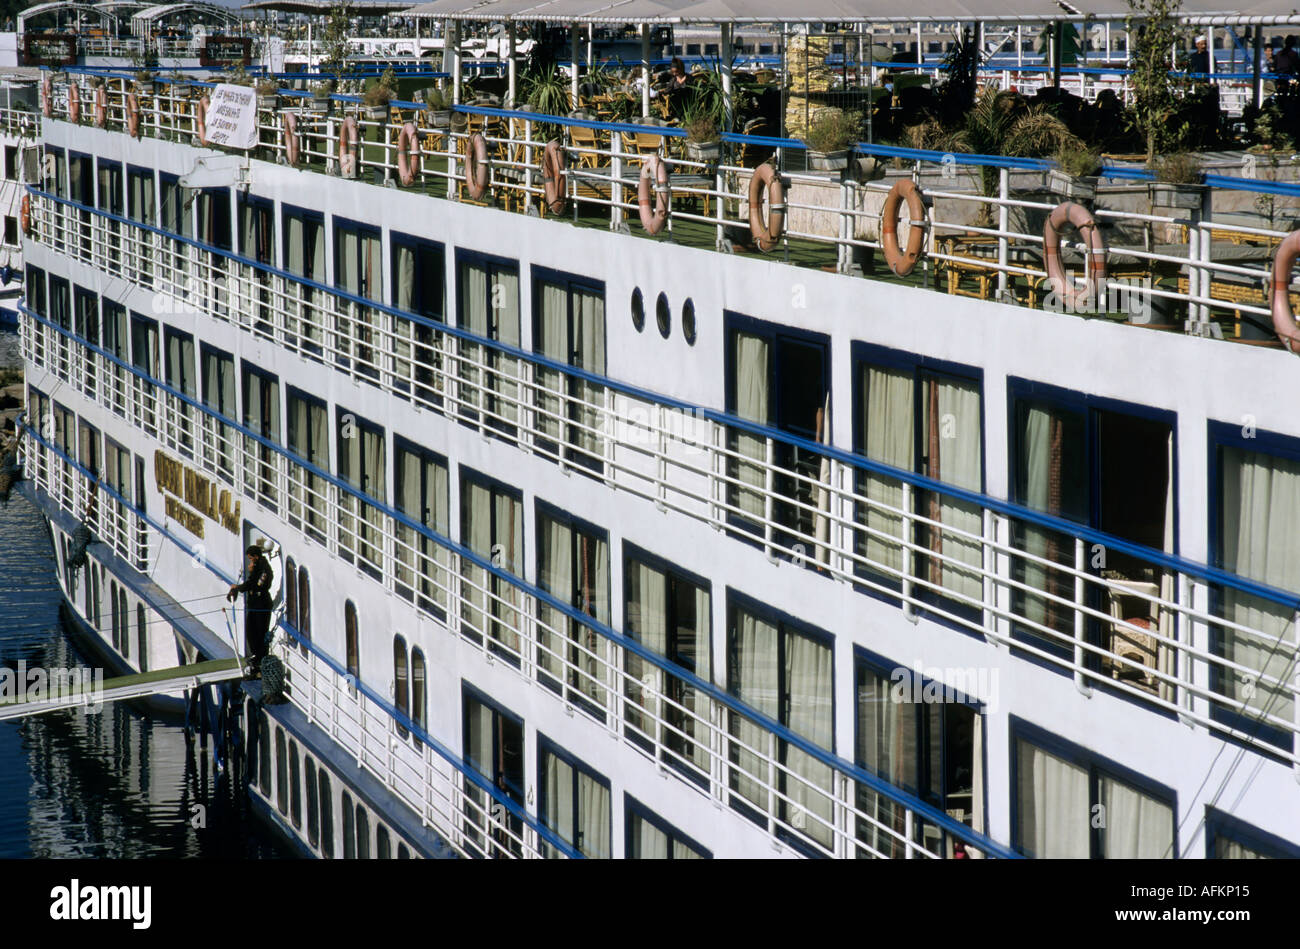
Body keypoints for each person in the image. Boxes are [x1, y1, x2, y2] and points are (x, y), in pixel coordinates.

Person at [228, 545, 273, 676]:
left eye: (251, 559)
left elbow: (257, 585)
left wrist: (239, 587)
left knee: (260, 632)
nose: (250, 562)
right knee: (250, 631)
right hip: (254, 604)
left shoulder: (265, 569)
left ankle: (261, 658)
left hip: (262, 604)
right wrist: (252, 572)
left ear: (256, 557)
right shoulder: (257, 567)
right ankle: (256, 655)